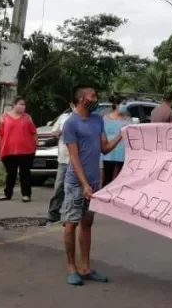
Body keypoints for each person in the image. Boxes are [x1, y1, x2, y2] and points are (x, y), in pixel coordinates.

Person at [61, 85, 123, 286]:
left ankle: (86, 267)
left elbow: (104, 149)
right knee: (71, 224)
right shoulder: (71, 123)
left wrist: (122, 135)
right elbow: (74, 157)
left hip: (94, 182)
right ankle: (72, 267)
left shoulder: (98, 120)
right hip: (76, 183)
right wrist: (84, 184)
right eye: (92, 96)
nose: (96, 99)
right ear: (80, 99)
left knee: (87, 224)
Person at [40, 103, 75, 227]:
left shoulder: (85, 118)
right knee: (59, 187)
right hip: (64, 158)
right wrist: (59, 132)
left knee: (73, 189)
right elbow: (53, 131)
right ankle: (53, 215)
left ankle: (70, 217)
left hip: (79, 160)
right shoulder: (64, 117)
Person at [0, 96, 37, 202]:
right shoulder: (4, 117)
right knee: (11, 173)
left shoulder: (27, 118)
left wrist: (36, 144)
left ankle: (26, 194)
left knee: (25, 173)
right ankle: (7, 194)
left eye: (24, 104)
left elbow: (33, 132)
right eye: (20, 104)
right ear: (14, 105)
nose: (23, 106)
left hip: (26, 150)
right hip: (8, 150)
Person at [102, 95, 131, 186]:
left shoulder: (128, 119)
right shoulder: (105, 119)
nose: (125, 106)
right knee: (107, 177)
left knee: (120, 178)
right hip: (109, 154)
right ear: (117, 105)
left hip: (122, 154)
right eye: (124, 104)